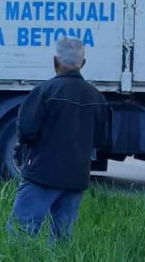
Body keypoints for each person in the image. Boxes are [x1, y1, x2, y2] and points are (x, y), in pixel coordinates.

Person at [7, 36, 109, 243]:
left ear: (55, 62)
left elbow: (26, 131)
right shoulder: (97, 98)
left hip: (41, 174)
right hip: (76, 178)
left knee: (21, 233)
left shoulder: (43, 92)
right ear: (83, 64)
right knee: (62, 238)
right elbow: (101, 139)